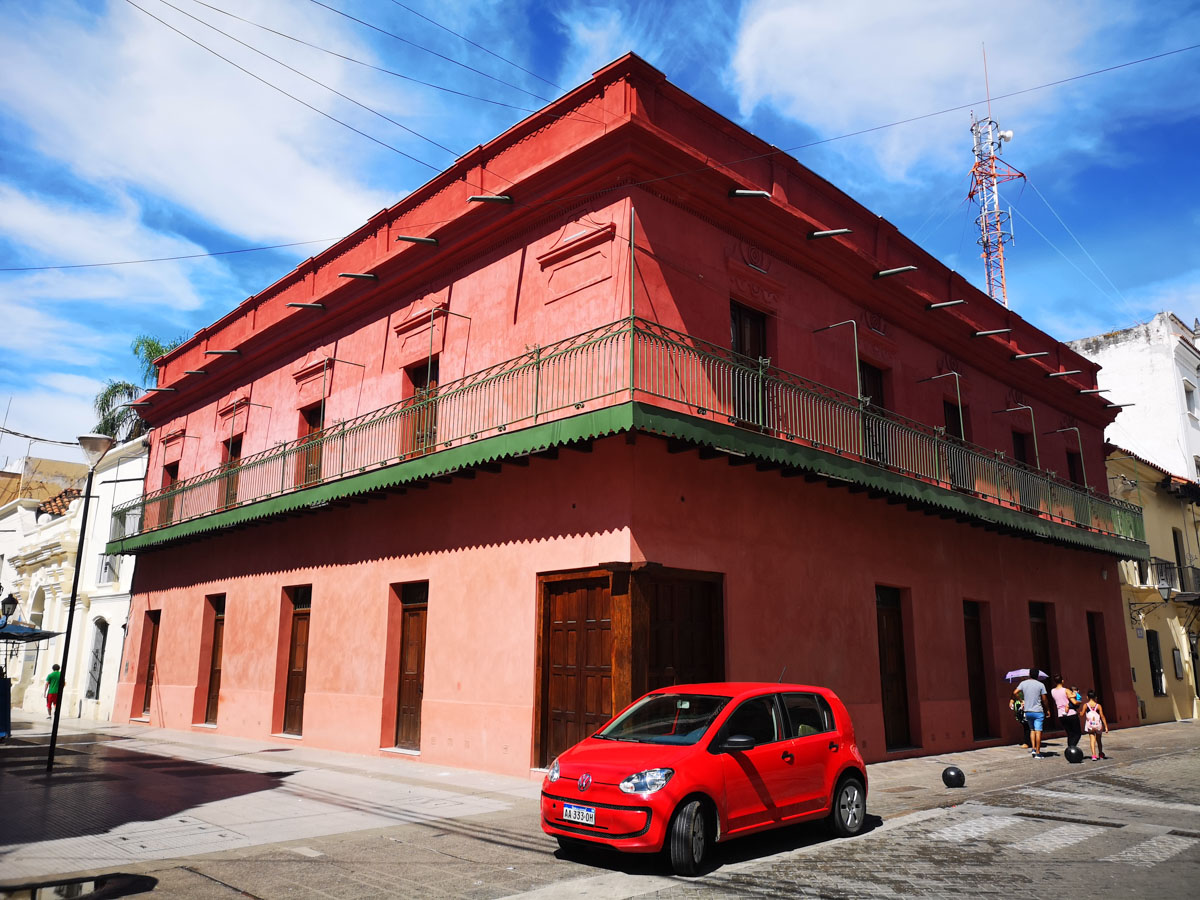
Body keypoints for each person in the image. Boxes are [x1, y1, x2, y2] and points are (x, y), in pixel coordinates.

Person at [1013, 667, 1048, 758]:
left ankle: (1033, 748)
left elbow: (1015, 692)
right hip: (1038, 711)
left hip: (1028, 711)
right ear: (1037, 675)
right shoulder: (1041, 685)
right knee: (1038, 731)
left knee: (1032, 730)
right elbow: (1044, 699)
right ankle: (1038, 752)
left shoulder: (1023, 683)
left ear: (1029, 674)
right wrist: (1047, 709)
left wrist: (1021, 700)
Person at [1050, 674, 1080, 748]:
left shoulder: (1052, 691)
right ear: (1062, 681)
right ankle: (1072, 747)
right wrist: (1080, 702)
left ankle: (1070, 749)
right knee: (1077, 734)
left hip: (1061, 714)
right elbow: (1074, 702)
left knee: (1069, 734)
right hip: (1071, 713)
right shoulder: (1066, 690)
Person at [1081, 690, 1109, 760]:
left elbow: (1082, 714)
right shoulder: (1098, 706)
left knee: (1092, 739)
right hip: (1098, 725)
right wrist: (1106, 726)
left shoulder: (1085, 705)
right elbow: (1102, 716)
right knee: (1099, 740)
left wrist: (1079, 712)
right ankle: (1101, 754)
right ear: (1095, 697)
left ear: (1087, 697)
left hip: (1090, 726)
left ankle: (1093, 755)